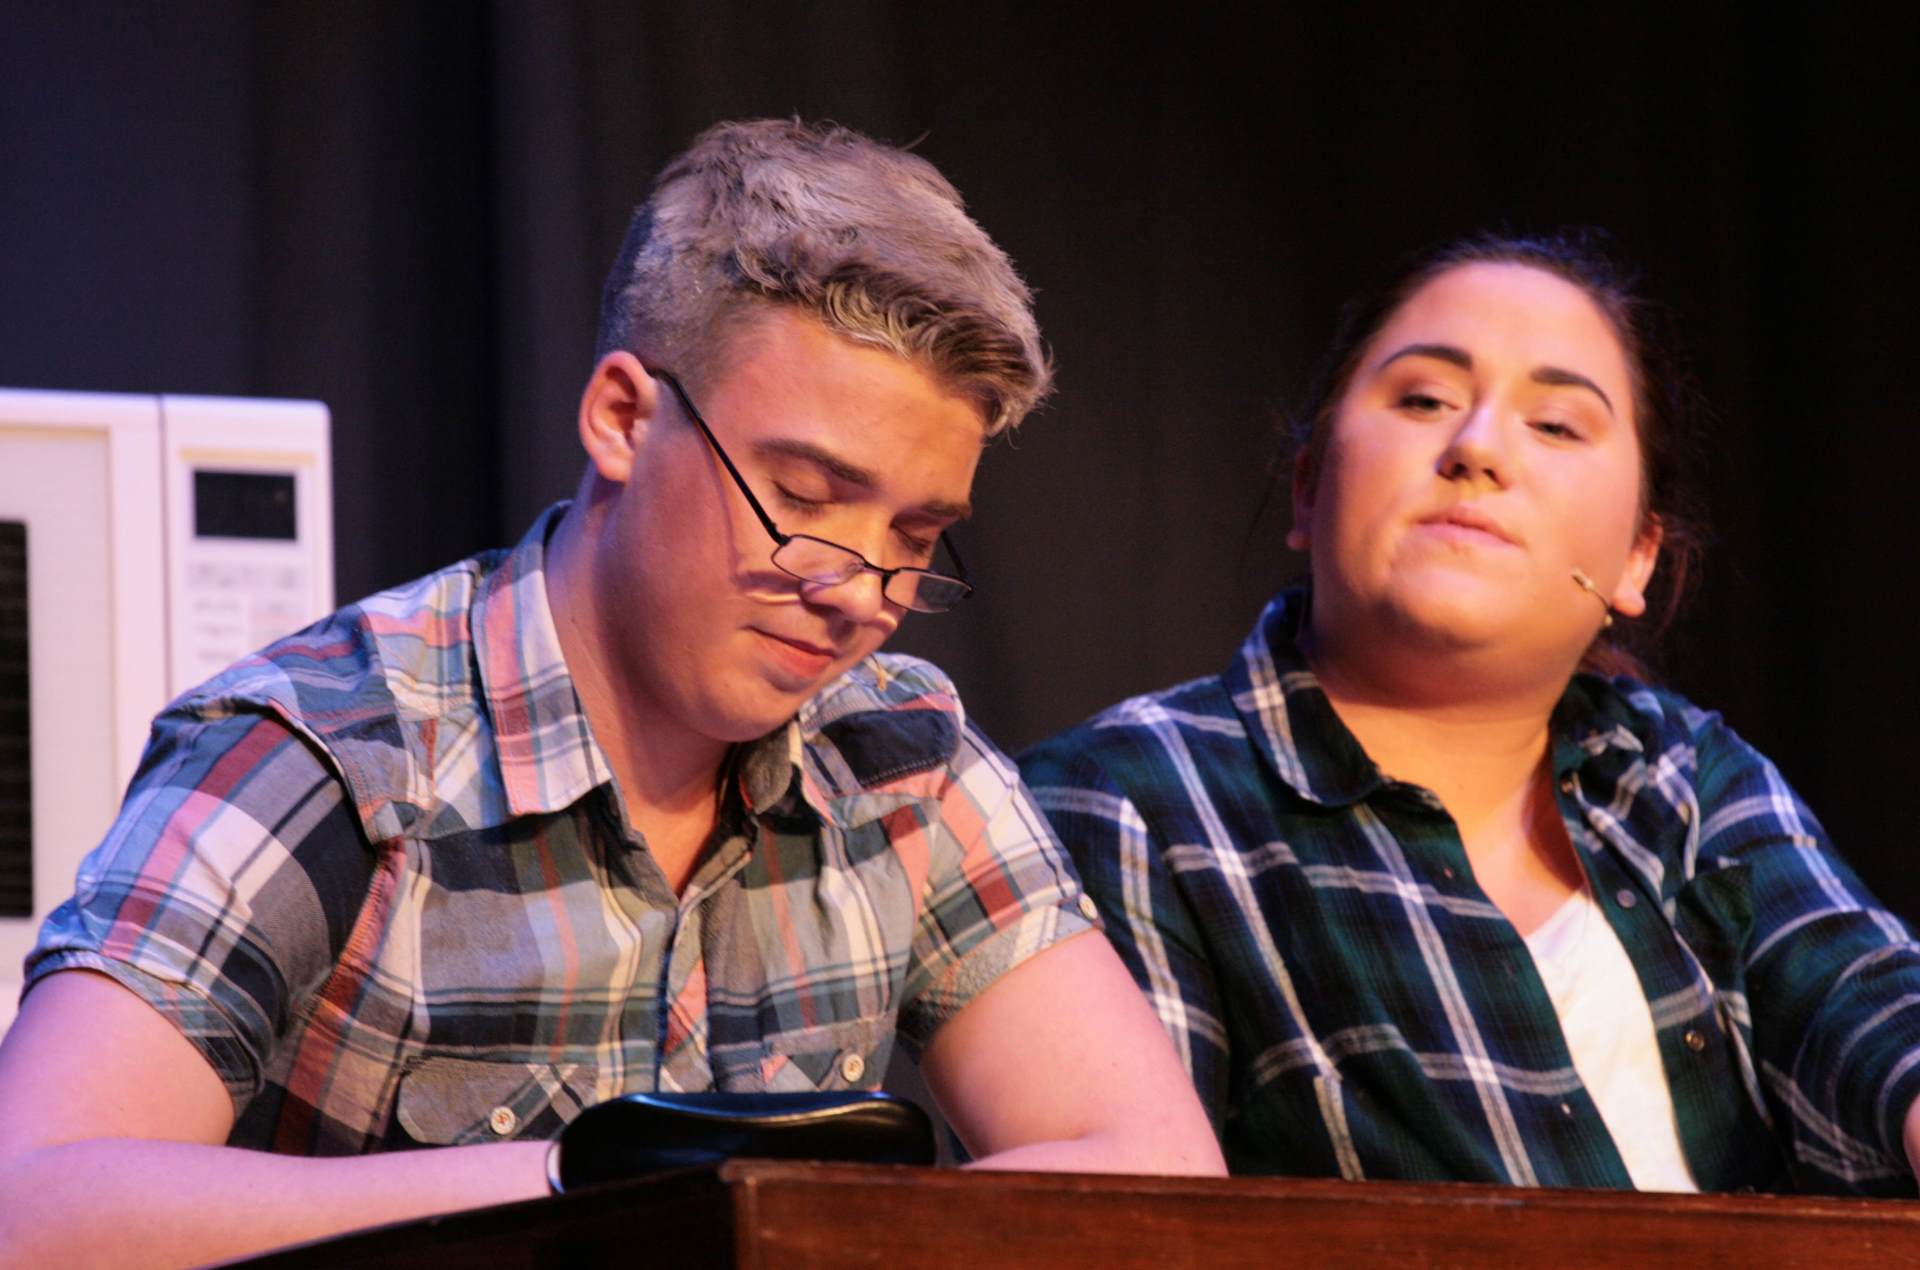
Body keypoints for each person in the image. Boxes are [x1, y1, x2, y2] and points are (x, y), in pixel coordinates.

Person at [0, 119, 1222, 1266]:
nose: (860, 591)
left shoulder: (897, 752)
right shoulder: (333, 752)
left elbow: (1157, 1173)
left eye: (914, 534)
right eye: (802, 500)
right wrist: (584, 1190)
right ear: (624, 417)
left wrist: (808, 1219)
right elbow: (32, 1203)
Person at [1020, 231, 1920, 1195]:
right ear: (1308, 487)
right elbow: (1136, 1220)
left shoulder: (1683, 772)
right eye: (1424, 401)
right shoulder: (1128, 798)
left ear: (1637, 560)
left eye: (1557, 425)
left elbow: (1868, 1004)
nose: (1478, 449)